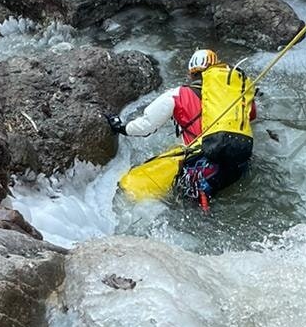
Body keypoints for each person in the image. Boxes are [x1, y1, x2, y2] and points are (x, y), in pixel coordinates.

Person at [108, 48, 256, 208]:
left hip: (201, 165)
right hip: (239, 163)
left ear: (191, 74)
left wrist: (122, 128)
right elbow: (252, 115)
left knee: (129, 187)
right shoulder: (235, 94)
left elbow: (146, 125)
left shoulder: (178, 94)